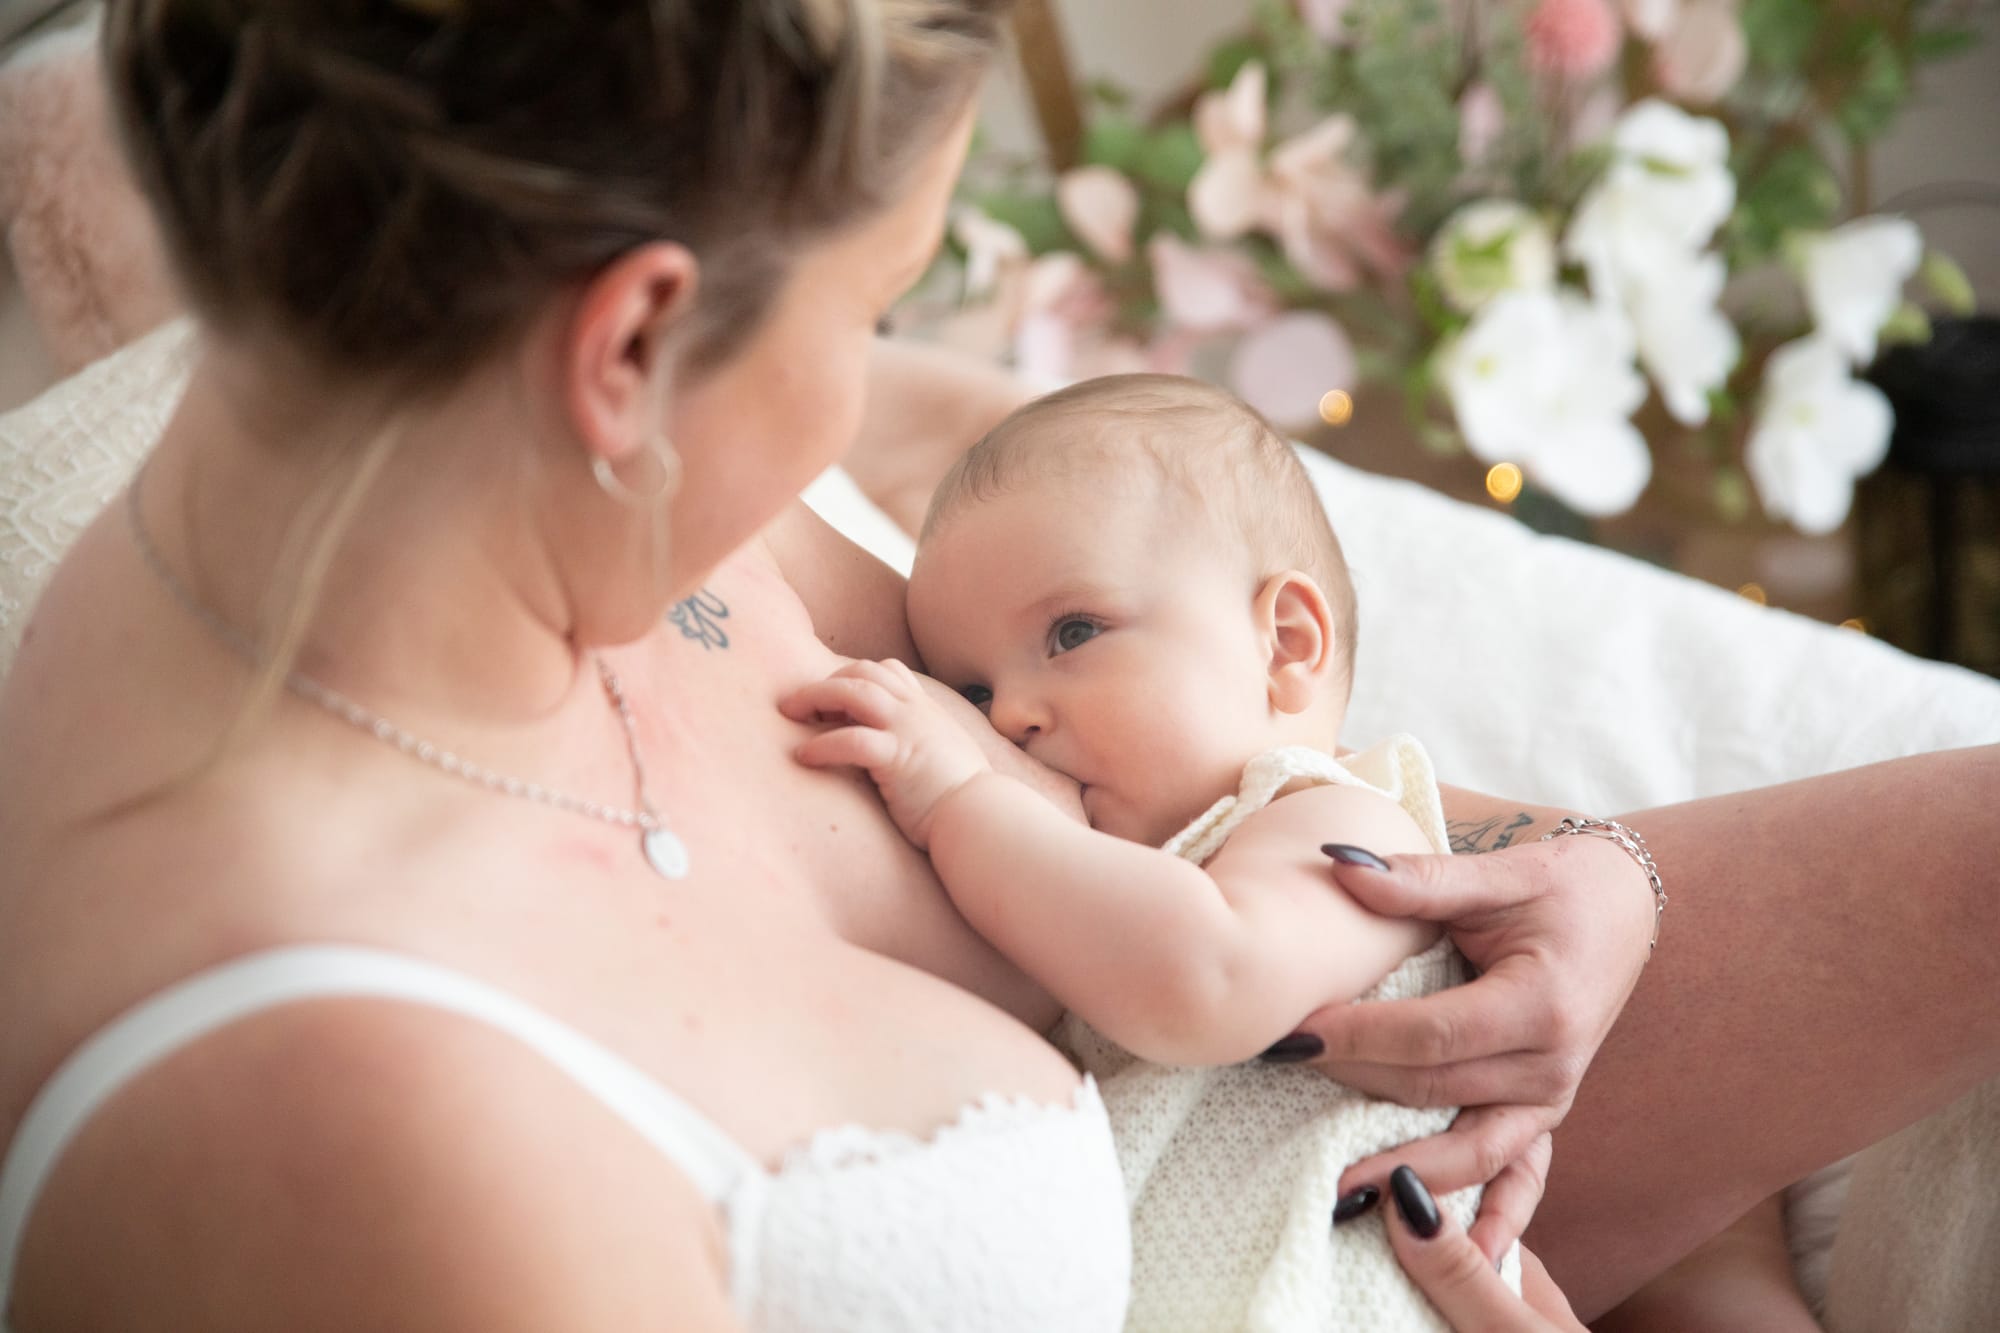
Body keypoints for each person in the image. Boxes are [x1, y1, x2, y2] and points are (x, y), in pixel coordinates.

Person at [0, 1, 1995, 1330]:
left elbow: (1200, 743)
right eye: (880, 301)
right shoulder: (366, 1134)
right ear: (626, 347)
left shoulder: (382, 396)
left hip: (1358, 1133)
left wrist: (1564, 859)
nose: (894, 397)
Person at [783, 372, 1525, 1331]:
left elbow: (1206, 979)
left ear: (1285, 643)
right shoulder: (1124, 880)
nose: (1009, 714)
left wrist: (961, 798)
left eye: (1073, 631)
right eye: (969, 693)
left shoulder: (1344, 823)